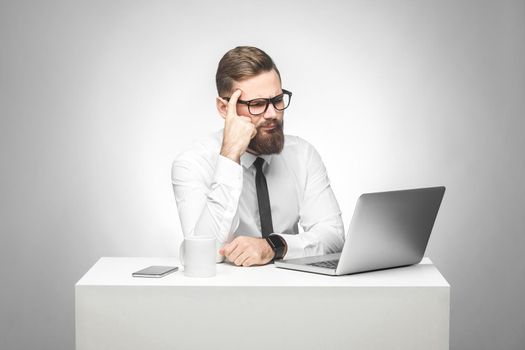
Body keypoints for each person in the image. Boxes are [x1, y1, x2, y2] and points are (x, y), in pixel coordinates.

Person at [171, 46, 344, 267]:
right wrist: (230, 156)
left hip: (292, 290)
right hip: (222, 295)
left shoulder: (302, 155)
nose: (272, 114)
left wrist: (274, 246)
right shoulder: (192, 164)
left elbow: (334, 237)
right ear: (225, 108)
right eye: (257, 104)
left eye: (278, 100)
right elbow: (201, 256)